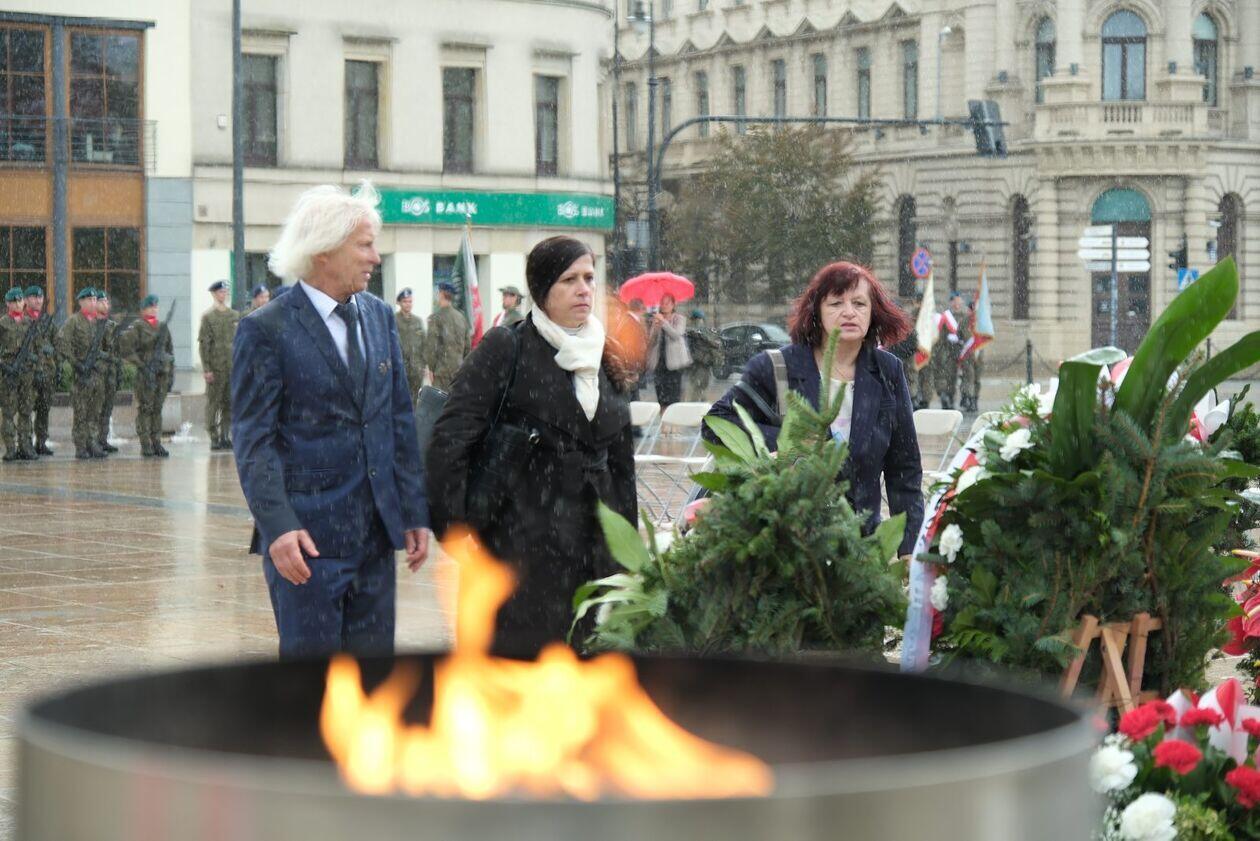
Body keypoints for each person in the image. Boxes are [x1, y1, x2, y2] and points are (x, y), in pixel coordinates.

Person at [231, 182, 430, 659]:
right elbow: (254, 441)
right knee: (311, 686)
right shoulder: (266, 329)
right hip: (307, 544)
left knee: (373, 684)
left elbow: (398, 419)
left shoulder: (380, 317)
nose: (375, 257)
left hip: (375, 538)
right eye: (364, 245)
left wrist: (413, 510)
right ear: (323, 250)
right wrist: (278, 526)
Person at [426, 235, 636, 652]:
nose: (584, 289)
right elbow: (451, 437)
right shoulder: (508, 346)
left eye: (589, 277)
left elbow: (620, 458)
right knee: (514, 668)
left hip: (592, 552)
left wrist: (627, 545)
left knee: (584, 669)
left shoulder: (605, 354)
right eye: (569, 280)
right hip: (518, 546)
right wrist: (452, 527)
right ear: (542, 289)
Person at [704, 261, 924, 560]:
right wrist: (789, 445)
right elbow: (717, 423)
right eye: (836, 303)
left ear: (874, 312)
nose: (849, 312)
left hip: (859, 551)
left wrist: (910, 549)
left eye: (859, 303)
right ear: (816, 312)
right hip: (786, 547)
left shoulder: (888, 371)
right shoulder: (776, 367)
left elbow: (904, 469)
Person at [56, 288, 108, 459]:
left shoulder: (99, 322)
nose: (93, 302)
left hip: (97, 376)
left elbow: (106, 348)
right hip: (82, 375)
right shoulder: (74, 321)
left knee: (94, 412)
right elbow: (62, 342)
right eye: (89, 300)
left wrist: (102, 362)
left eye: (94, 299)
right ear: (81, 302)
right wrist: (75, 362)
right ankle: (80, 446)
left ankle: (92, 442)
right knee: (81, 412)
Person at [121, 294, 174, 458]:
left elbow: (170, 351)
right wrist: (141, 364)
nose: (154, 310)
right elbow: (126, 348)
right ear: (143, 309)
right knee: (145, 409)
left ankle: (156, 442)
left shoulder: (162, 327)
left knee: (157, 409)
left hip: (161, 374)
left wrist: (171, 374)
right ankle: (146, 444)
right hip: (145, 375)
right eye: (150, 307)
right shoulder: (137, 326)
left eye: (155, 307)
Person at [200, 280, 240, 450]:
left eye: (225, 292)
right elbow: (204, 345)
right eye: (220, 292)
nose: (223, 295)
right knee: (213, 404)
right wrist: (207, 369)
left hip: (232, 367)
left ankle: (225, 435)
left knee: (229, 404)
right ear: (214, 294)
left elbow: (239, 342)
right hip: (216, 368)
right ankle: (213, 436)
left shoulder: (234, 316)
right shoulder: (208, 317)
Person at [0, 287, 34, 462]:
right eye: (14, 301)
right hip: (9, 373)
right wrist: (4, 366)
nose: (18, 304)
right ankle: (10, 448)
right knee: (8, 412)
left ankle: (25, 446)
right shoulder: (3, 323)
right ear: (8, 303)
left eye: (20, 301)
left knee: (26, 411)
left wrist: (37, 366)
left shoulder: (29, 323)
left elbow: (36, 348)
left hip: (26, 372)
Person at [22, 286, 55, 455]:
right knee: (26, 409)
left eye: (40, 297)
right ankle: (25, 444)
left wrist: (54, 356)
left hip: (46, 373)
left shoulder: (47, 322)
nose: (38, 300)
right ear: (26, 300)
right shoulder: (21, 321)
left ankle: (41, 442)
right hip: (28, 373)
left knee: (44, 409)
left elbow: (58, 343)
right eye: (34, 297)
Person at [646, 293, 690, 408]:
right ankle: (663, 418)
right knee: (661, 398)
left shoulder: (679, 319)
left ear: (673, 305)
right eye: (662, 303)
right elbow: (651, 341)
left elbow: (676, 335)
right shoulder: (656, 319)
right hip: (659, 363)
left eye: (667, 303)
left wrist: (664, 323)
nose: (664, 305)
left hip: (674, 365)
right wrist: (656, 328)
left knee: (674, 399)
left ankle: (673, 419)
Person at [426, 281, 470, 391]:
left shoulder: (435, 318)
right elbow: (467, 346)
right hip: (458, 371)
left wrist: (431, 368)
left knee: (440, 400)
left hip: (441, 372)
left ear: (441, 294)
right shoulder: (461, 317)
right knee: (455, 400)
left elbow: (431, 347)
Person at [94, 290, 121, 454]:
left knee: (107, 409)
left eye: (107, 302)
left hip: (110, 374)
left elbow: (118, 352)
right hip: (98, 374)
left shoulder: (112, 326)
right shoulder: (92, 325)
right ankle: (93, 441)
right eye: (102, 301)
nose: (106, 305)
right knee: (96, 409)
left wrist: (119, 372)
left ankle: (103, 439)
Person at [929, 292, 966, 410]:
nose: (957, 304)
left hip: (958, 351)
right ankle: (944, 397)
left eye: (959, 301)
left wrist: (960, 338)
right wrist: (947, 339)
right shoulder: (945, 317)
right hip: (945, 351)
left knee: (953, 377)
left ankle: (951, 398)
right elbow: (939, 336)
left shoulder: (964, 317)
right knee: (943, 375)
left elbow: (967, 333)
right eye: (955, 301)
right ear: (951, 302)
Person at [684, 308, 723, 401]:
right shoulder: (702, 332)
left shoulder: (694, 332)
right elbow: (716, 345)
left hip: (701, 364)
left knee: (698, 388)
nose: (698, 322)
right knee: (700, 388)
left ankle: (698, 404)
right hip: (702, 364)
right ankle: (699, 403)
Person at [394, 287, 426, 396]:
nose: (408, 304)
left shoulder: (417, 321)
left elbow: (424, 344)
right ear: (399, 303)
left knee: (415, 398)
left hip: (416, 369)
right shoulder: (394, 320)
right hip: (400, 368)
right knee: (399, 398)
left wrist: (424, 365)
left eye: (410, 301)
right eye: (405, 301)